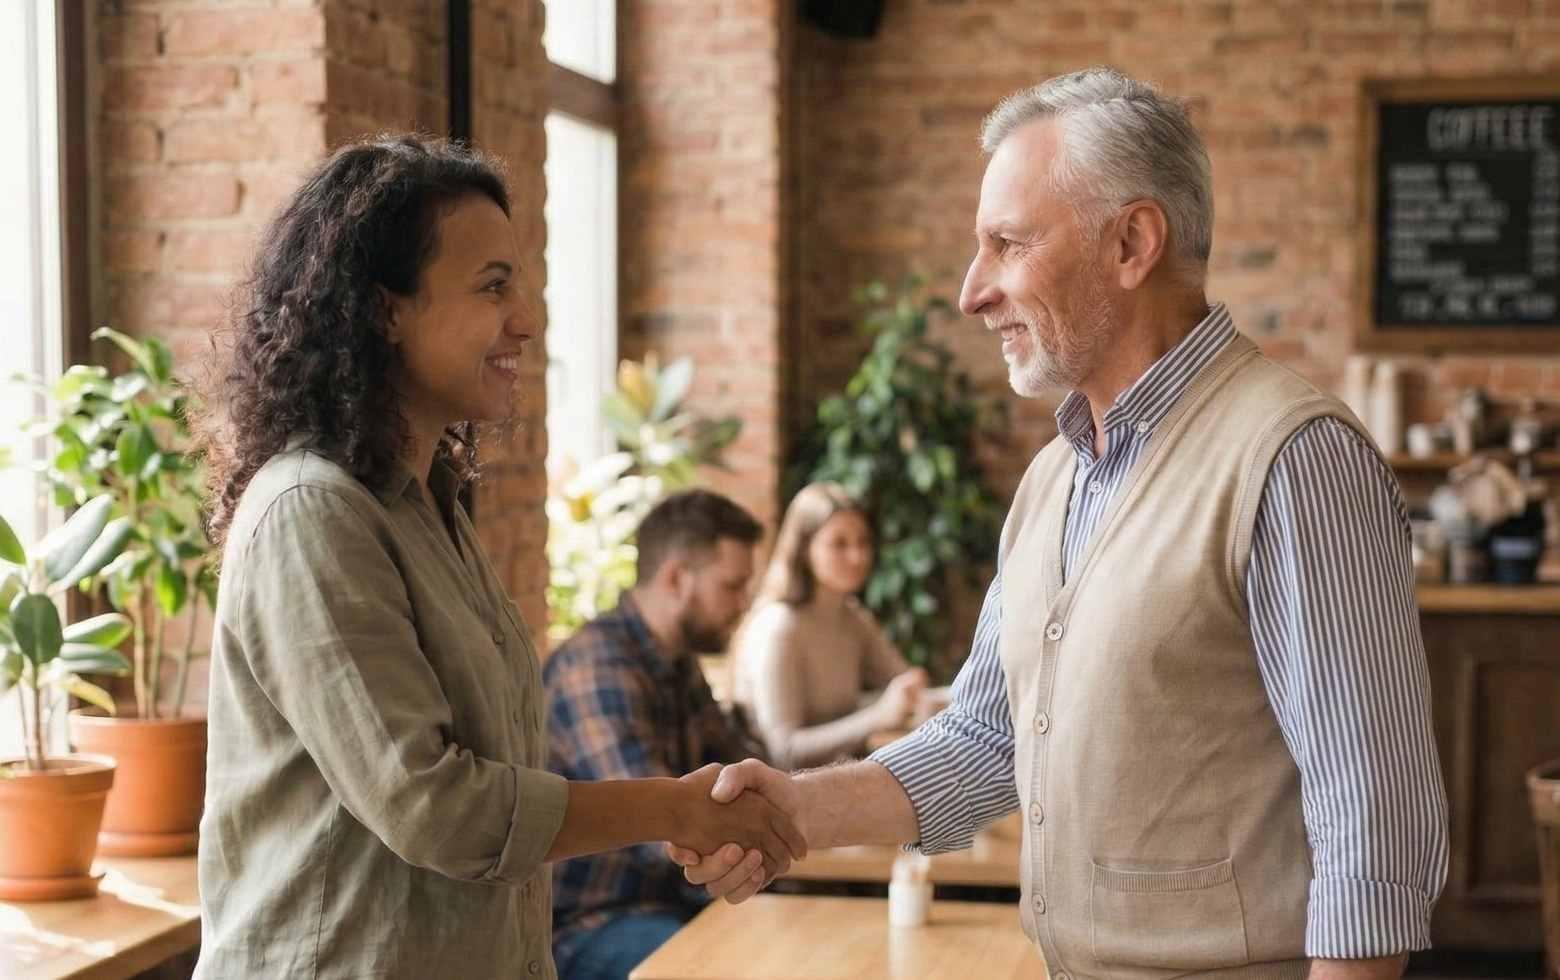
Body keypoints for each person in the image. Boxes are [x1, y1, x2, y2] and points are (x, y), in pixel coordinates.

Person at [671, 68, 1449, 980]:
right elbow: (987, 740)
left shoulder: (1295, 458)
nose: (972, 292)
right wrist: (793, 807)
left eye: (1007, 244)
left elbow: (1375, 814)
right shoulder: (1053, 480)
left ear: (1131, 242)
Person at [191, 135, 802, 980]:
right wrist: (673, 808)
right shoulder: (312, 511)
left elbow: (501, 793)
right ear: (385, 311)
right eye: (491, 287)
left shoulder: (429, 505)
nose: (525, 318)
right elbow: (430, 806)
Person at [544, 489, 775, 980]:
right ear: (676, 578)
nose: (744, 604)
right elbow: (664, 832)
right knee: (736, 967)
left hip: (673, 901)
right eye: (732, 587)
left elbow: (742, 773)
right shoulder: (596, 668)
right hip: (587, 923)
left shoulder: (677, 662)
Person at [731, 482, 928, 769]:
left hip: (836, 786)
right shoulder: (779, 627)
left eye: (863, 542)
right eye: (839, 544)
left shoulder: (852, 617)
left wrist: (922, 696)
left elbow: (906, 685)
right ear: (804, 548)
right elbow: (782, 752)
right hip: (782, 800)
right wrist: (878, 715)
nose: (857, 557)